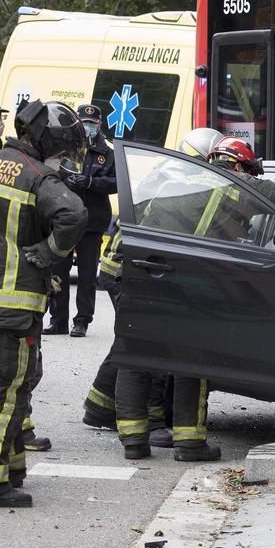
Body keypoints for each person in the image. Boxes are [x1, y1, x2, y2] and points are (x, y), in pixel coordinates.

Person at [0, 100, 87, 507]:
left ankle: (11, 466)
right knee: (3, 391)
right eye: (62, 150)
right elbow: (73, 215)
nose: (62, 159)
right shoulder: (37, 176)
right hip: (9, 306)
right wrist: (47, 253)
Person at [83, 128, 225, 436]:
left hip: (121, 265)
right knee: (149, 347)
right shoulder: (180, 180)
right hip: (132, 268)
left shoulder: (168, 172)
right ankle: (149, 421)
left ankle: (98, 407)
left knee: (130, 341)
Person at [44, 104, 114, 337]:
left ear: (100, 126)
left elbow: (117, 183)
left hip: (92, 221)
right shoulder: (65, 147)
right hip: (64, 219)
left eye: (92, 124)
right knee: (58, 271)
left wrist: (92, 183)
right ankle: (58, 319)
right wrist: (65, 180)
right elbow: (48, 173)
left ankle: (82, 320)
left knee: (86, 275)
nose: (88, 127)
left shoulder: (108, 152)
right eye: (84, 123)